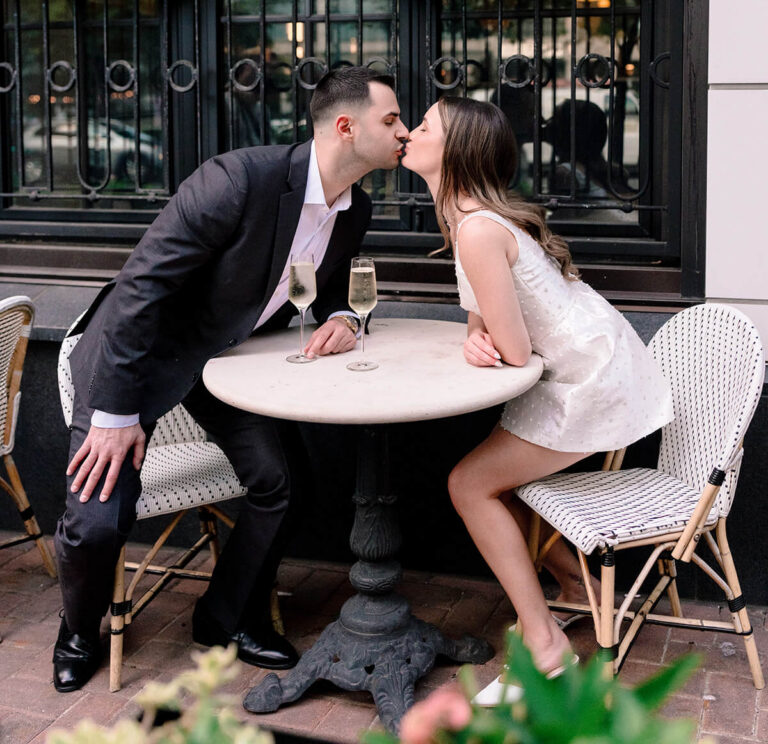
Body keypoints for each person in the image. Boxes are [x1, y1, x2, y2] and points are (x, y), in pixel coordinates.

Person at [52, 67, 409, 693]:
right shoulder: (238, 179)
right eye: (393, 120)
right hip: (141, 353)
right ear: (347, 128)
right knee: (99, 518)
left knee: (284, 484)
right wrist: (114, 414)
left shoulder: (356, 208)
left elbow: (327, 292)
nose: (404, 132)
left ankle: (227, 615)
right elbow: (141, 290)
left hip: (228, 360)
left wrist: (349, 319)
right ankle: (78, 631)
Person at [401, 96, 672, 703]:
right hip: (590, 364)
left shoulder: (474, 227)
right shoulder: (468, 217)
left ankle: (548, 647)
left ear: (457, 151)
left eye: (424, 126)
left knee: (469, 484)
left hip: (590, 382)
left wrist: (487, 341)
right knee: (486, 481)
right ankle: (573, 587)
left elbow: (516, 353)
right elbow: (485, 319)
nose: (411, 132)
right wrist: (477, 337)